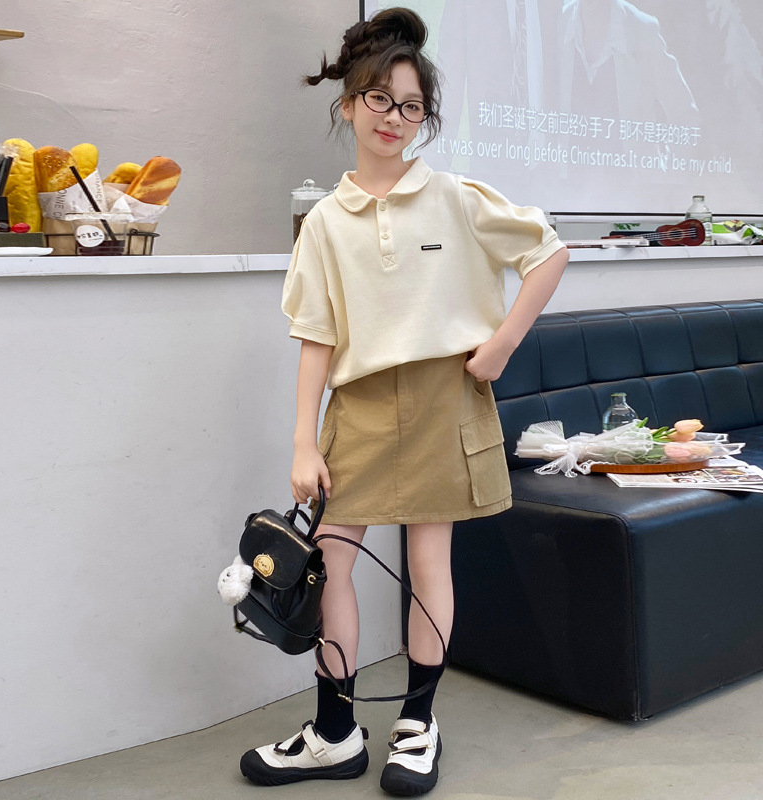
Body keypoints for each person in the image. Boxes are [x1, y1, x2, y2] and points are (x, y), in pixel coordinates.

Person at [240, 7, 568, 796]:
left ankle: (418, 725)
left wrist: (501, 345)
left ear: (426, 119)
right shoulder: (325, 221)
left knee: (428, 563)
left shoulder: (453, 197)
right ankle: (334, 733)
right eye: (380, 99)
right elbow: (316, 337)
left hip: (444, 400)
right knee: (325, 567)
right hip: (356, 408)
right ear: (349, 102)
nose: (393, 116)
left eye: (411, 105)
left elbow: (548, 252)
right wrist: (302, 441)